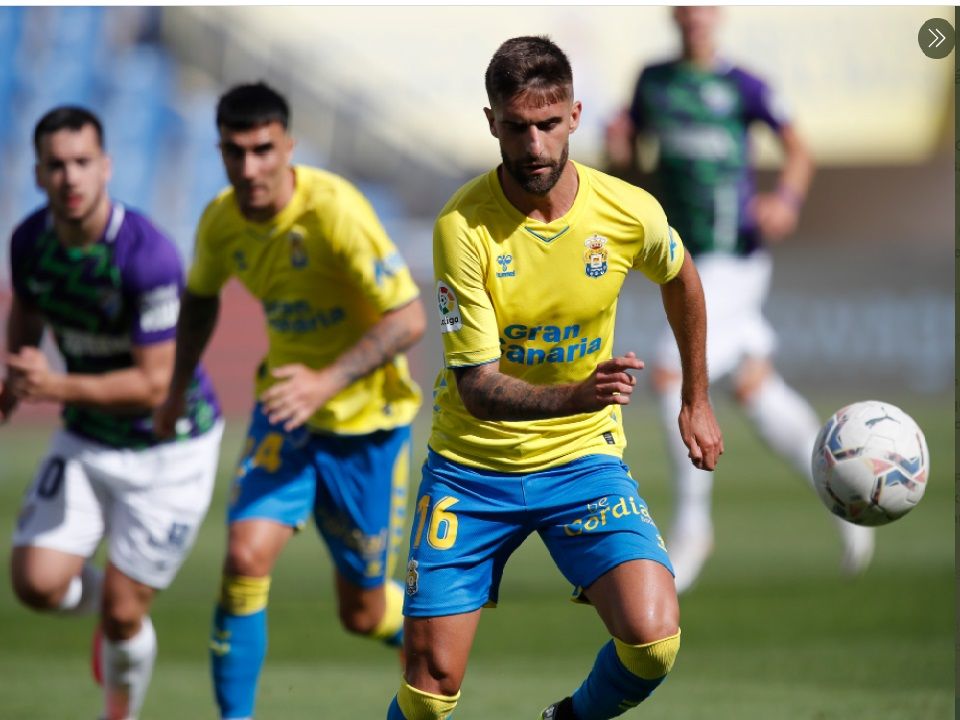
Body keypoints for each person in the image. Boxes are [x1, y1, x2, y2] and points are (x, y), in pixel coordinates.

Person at [386, 36, 723, 720]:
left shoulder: (628, 211)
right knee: (429, 692)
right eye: (516, 127)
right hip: (471, 468)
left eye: (547, 125)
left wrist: (697, 399)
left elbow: (682, 276)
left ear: (575, 114)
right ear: (492, 124)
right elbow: (478, 388)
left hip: (582, 461)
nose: (534, 146)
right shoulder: (463, 226)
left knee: (653, 640)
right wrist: (577, 395)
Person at [153, 82, 426, 720]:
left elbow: (411, 317)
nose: (248, 168)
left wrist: (325, 381)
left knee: (361, 612)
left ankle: (426, 651)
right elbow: (199, 299)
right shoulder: (220, 221)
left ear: (288, 148)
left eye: (262, 150)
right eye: (233, 152)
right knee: (244, 555)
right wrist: (173, 391)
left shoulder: (334, 210)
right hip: (288, 422)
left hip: (368, 429)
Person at [604, 6, 874, 593]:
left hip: (735, 257)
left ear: (717, 15)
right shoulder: (652, 83)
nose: (696, 16)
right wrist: (617, 151)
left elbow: (798, 150)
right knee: (754, 387)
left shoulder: (743, 86)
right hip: (683, 258)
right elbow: (632, 174)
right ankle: (847, 495)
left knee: (672, 368)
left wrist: (788, 200)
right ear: (674, 15)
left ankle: (694, 527)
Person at [2, 106, 223, 720]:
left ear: (106, 167)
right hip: (89, 438)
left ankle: (118, 711)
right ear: (38, 174)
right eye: (56, 166)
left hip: (168, 446)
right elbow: (28, 308)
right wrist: (14, 376)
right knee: (37, 585)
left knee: (126, 614)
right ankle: (112, 611)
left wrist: (52, 386)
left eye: (82, 163)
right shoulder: (28, 240)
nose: (70, 177)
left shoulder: (145, 256)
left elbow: (155, 385)